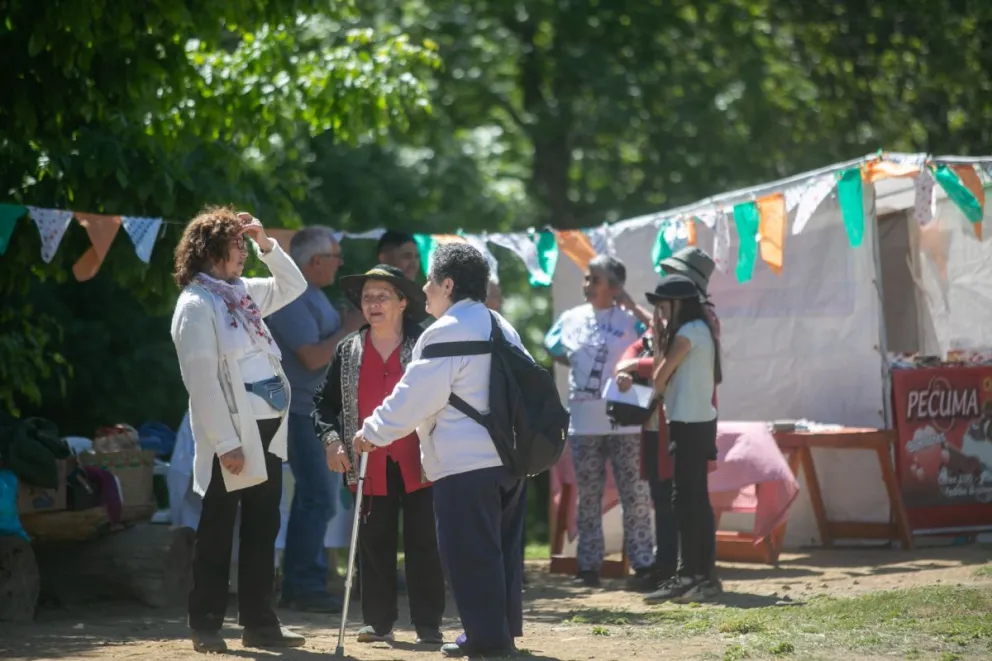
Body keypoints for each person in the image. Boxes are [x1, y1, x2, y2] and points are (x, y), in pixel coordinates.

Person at [351, 243, 526, 658]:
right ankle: (498, 632)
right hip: (511, 461)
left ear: (448, 284)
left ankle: (486, 639)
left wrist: (371, 432)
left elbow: (414, 397)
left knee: (470, 553)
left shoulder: (446, 330)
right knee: (500, 552)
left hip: (466, 463)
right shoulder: (500, 324)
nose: (424, 288)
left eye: (430, 280)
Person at [170, 207, 308, 653]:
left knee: (263, 527)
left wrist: (267, 243)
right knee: (217, 530)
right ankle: (206, 623)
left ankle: (259, 623)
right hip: (230, 435)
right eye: (238, 245)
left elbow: (293, 285)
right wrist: (227, 444)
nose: (244, 253)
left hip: (267, 429)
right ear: (210, 250)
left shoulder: (241, 291)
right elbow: (202, 381)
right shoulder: (196, 304)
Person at [317, 265, 445, 645]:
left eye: (382, 296)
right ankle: (378, 622)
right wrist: (331, 441)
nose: (372, 304)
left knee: (425, 543)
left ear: (403, 302)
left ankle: (428, 625)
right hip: (367, 462)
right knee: (373, 544)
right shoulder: (348, 349)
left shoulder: (425, 344)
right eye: (367, 297)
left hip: (421, 462)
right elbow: (323, 405)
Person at [266, 226, 363, 613]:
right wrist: (348, 327)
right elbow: (310, 357)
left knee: (319, 500)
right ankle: (302, 584)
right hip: (301, 412)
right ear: (316, 261)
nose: (341, 264)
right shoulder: (290, 298)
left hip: (318, 412)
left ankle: (307, 580)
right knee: (317, 498)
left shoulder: (313, 294)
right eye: (336, 257)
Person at [544, 254, 655, 591]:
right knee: (588, 494)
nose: (587, 284)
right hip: (584, 421)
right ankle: (589, 564)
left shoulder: (630, 320)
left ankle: (644, 564)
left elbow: (659, 336)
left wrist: (633, 307)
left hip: (626, 419)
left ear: (615, 286)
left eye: (595, 279)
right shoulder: (570, 318)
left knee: (634, 493)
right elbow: (552, 345)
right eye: (587, 278)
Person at [615, 246, 718, 589]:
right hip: (674, 416)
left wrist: (637, 364)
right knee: (675, 495)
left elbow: (661, 365)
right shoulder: (690, 322)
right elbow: (646, 345)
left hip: (683, 416)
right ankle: (682, 570)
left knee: (684, 497)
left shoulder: (697, 323)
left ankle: (691, 572)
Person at [642, 273, 722, 603]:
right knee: (695, 500)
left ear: (676, 304)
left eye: (662, 306)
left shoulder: (688, 333)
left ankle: (691, 574)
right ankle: (701, 576)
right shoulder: (700, 329)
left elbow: (660, 376)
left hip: (688, 424)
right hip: (696, 422)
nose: (660, 313)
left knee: (686, 501)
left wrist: (660, 344)